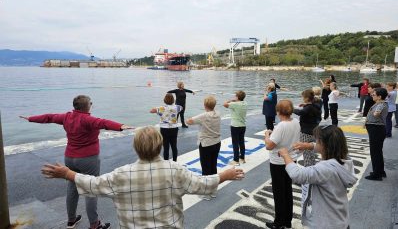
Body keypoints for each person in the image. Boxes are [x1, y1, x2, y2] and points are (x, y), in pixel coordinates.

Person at [41, 126, 245, 228]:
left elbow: (92, 184)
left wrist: (67, 173)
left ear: (136, 148)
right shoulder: (175, 170)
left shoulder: (121, 174)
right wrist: (225, 175)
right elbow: (202, 184)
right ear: (160, 146)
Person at [20, 95, 133, 229]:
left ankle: (71, 220)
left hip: (70, 158)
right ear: (87, 106)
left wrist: (31, 118)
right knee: (91, 189)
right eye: (91, 103)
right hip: (88, 159)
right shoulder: (88, 119)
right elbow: (103, 123)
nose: (91, 105)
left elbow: (49, 117)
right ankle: (94, 224)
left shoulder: (66, 117)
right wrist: (121, 126)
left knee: (72, 188)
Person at [279, 125, 357, 229]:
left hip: (327, 223)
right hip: (340, 219)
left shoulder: (325, 168)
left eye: (317, 140)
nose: (315, 142)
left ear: (324, 145)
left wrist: (285, 155)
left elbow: (297, 175)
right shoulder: (344, 160)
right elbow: (324, 146)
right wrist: (309, 146)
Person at [264, 99, 300, 229]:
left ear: (278, 111)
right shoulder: (296, 121)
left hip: (278, 162)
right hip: (291, 159)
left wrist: (267, 134)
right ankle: (287, 220)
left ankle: (279, 222)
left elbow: (269, 146)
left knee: (279, 193)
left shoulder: (281, 126)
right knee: (287, 190)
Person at [186, 96, 221, 200]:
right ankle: (213, 190)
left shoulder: (204, 116)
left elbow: (189, 121)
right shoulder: (218, 113)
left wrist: (188, 119)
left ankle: (206, 193)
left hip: (206, 144)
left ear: (205, 105)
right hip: (217, 142)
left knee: (206, 168)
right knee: (213, 166)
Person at [364, 87, 388, 181]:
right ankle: (380, 171)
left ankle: (376, 174)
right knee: (377, 151)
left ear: (379, 96)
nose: (372, 95)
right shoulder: (379, 103)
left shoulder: (381, 104)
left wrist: (376, 112)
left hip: (376, 130)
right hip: (375, 129)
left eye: (374, 94)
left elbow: (376, 114)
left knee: (375, 152)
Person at [150, 93, 182, 161]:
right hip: (174, 128)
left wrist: (158, 108)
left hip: (164, 129)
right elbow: (181, 108)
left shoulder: (161, 108)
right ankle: (175, 161)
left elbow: (151, 111)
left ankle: (166, 162)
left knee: (166, 147)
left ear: (164, 100)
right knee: (174, 146)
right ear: (173, 100)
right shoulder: (177, 107)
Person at [294, 89, 321, 166]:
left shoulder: (308, 108)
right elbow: (310, 108)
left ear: (306, 98)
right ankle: (312, 165)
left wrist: (292, 109)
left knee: (306, 152)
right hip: (314, 131)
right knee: (311, 150)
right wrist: (305, 105)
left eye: (303, 97)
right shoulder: (316, 106)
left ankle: (308, 169)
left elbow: (300, 112)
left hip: (306, 132)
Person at [224, 91, 247, 165]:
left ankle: (236, 160)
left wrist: (231, 100)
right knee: (241, 142)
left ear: (237, 97)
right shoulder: (245, 103)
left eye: (235, 96)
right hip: (243, 126)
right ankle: (242, 158)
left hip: (235, 126)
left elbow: (224, 104)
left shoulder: (234, 104)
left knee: (235, 143)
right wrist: (235, 100)